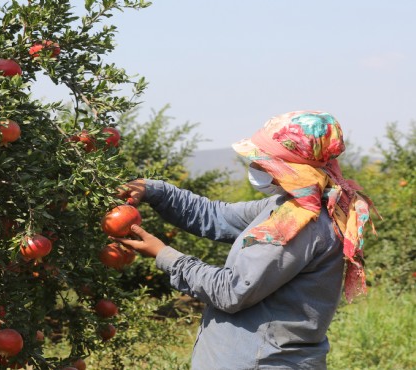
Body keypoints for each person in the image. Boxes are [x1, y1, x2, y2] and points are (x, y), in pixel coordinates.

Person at [115, 111, 377, 369]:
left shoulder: (297, 223)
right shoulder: (289, 205)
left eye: (264, 160)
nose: (255, 166)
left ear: (290, 165)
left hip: (259, 361)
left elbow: (231, 291)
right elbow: (218, 216)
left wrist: (165, 256)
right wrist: (154, 191)